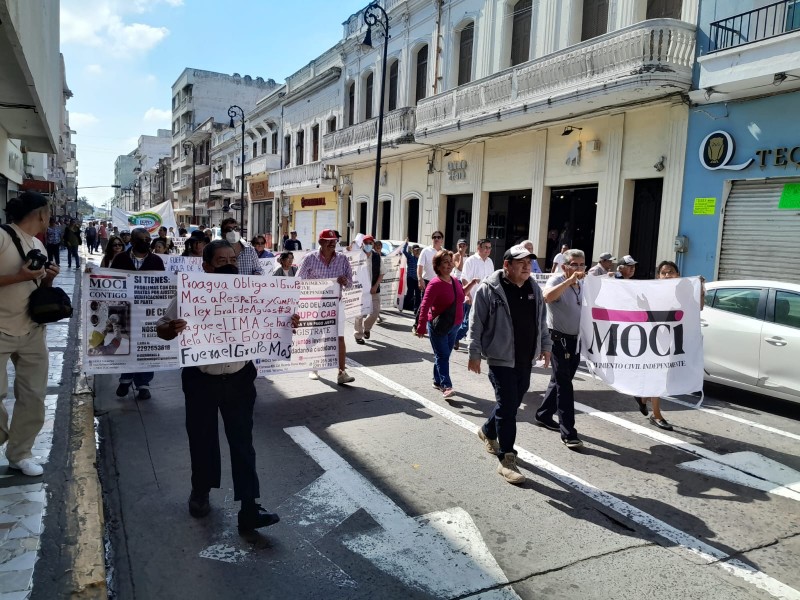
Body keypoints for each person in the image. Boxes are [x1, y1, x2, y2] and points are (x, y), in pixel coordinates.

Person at [156, 239, 299, 532]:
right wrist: (171, 328)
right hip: (200, 381)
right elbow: (161, 328)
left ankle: (249, 508)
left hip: (239, 379)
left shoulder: (252, 292)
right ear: (206, 266)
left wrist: (287, 321)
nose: (229, 264)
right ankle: (201, 492)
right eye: (221, 261)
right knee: (202, 439)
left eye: (232, 259)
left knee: (243, 443)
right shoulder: (190, 294)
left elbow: (276, 321)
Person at [468, 244, 551, 484]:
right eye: (521, 263)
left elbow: (541, 321)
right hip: (499, 357)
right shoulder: (489, 289)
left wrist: (546, 346)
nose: (527, 267)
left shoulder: (534, 287)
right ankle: (507, 458)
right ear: (507, 265)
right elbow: (476, 323)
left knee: (512, 404)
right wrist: (474, 353)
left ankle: (487, 431)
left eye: (529, 263)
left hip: (525, 357)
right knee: (507, 407)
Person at [0, 192, 61, 476]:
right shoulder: (1, 237)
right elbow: (20, 279)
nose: (49, 219)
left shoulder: (38, 244)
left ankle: (20, 453)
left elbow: (36, 287)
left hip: (33, 330)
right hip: (1, 328)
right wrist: (19, 277)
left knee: (34, 395)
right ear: (40, 214)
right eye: (48, 213)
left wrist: (48, 277)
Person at [536, 249, 586, 449]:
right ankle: (568, 433)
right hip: (557, 339)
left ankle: (544, 414)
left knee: (559, 380)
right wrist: (568, 281)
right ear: (565, 266)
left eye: (582, 265)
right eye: (574, 264)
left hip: (576, 340)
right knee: (565, 385)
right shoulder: (557, 280)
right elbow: (546, 297)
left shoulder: (584, 284)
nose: (579, 269)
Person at [415, 250, 479, 399]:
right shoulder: (434, 284)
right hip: (439, 326)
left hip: (454, 325)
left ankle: (437, 380)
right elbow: (424, 306)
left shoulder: (455, 280)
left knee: (443, 355)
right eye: (445, 262)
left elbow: (460, 294)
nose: (449, 264)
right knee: (443, 355)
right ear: (437, 265)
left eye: (450, 261)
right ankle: (446, 386)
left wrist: (472, 284)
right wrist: (421, 326)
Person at [110, 228, 165, 400]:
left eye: (148, 239)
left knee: (146, 347)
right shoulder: (121, 258)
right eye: (141, 239)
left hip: (147, 313)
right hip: (124, 311)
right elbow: (110, 281)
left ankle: (143, 383)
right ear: (132, 242)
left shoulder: (156, 260)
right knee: (125, 344)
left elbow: (163, 285)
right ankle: (125, 379)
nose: (145, 242)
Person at [633, 260, 686, 431]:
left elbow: (696, 309)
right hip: (657, 337)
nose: (667, 275)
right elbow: (648, 315)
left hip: (675, 339)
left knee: (666, 375)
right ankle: (656, 415)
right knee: (659, 375)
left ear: (678, 274)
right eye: (663, 273)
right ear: (658, 276)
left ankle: (643, 398)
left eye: (670, 272)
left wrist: (700, 291)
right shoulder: (654, 293)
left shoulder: (683, 292)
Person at [297, 229, 355, 385]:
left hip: (336, 304)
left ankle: (341, 373)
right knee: (315, 336)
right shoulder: (310, 258)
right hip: (315, 305)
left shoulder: (342, 258)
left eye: (334, 241)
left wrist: (344, 281)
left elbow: (350, 282)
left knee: (339, 337)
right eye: (328, 241)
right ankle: (313, 366)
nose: (332, 244)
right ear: (320, 242)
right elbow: (298, 280)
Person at [458, 239, 494, 350]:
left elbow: (491, 279)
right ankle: (454, 337)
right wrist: (467, 295)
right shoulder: (471, 260)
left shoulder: (490, 261)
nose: (488, 250)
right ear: (479, 248)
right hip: (473, 296)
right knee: (467, 323)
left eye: (489, 248)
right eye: (485, 247)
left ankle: (478, 344)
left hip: (486, 298)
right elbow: (464, 278)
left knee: (483, 323)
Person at [354, 236, 386, 345]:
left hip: (374, 290)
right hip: (360, 291)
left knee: (375, 312)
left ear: (373, 244)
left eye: (370, 243)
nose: (368, 245)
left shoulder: (377, 256)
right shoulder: (357, 256)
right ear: (362, 244)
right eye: (366, 243)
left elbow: (382, 272)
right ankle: (358, 335)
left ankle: (366, 328)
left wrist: (376, 285)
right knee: (359, 314)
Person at [401, 240, 421, 313]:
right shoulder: (410, 257)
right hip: (410, 278)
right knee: (410, 293)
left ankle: (416, 310)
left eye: (418, 250)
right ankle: (403, 306)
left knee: (418, 295)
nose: (417, 251)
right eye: (416, 250)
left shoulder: (420, 258)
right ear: (412, 250)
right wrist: (406, 243)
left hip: (417, 279)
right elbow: (404, 251)